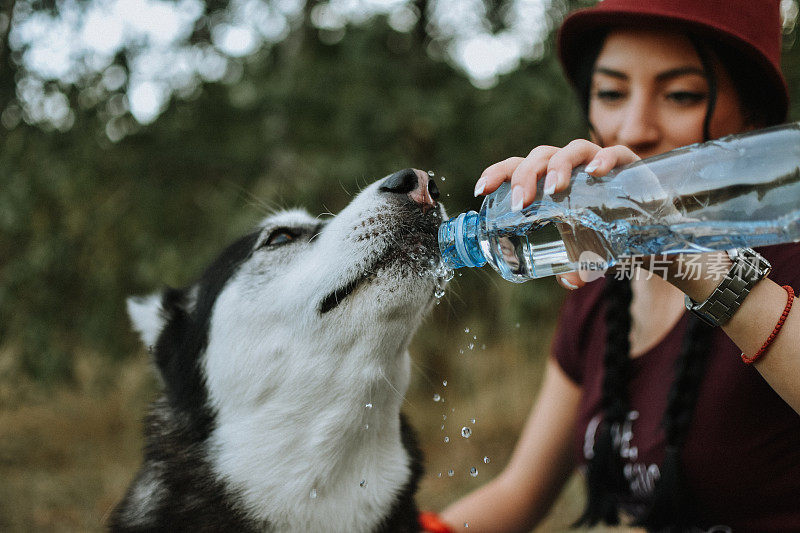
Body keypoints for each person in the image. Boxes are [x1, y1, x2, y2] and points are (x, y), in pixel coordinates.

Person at [427, 1, 800, 531]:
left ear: (754, 121)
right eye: (610, 93)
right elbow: (518, 493)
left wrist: (697, 265)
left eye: (681, 95)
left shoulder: (789, 259)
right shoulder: (598, 290)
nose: (633, 128)